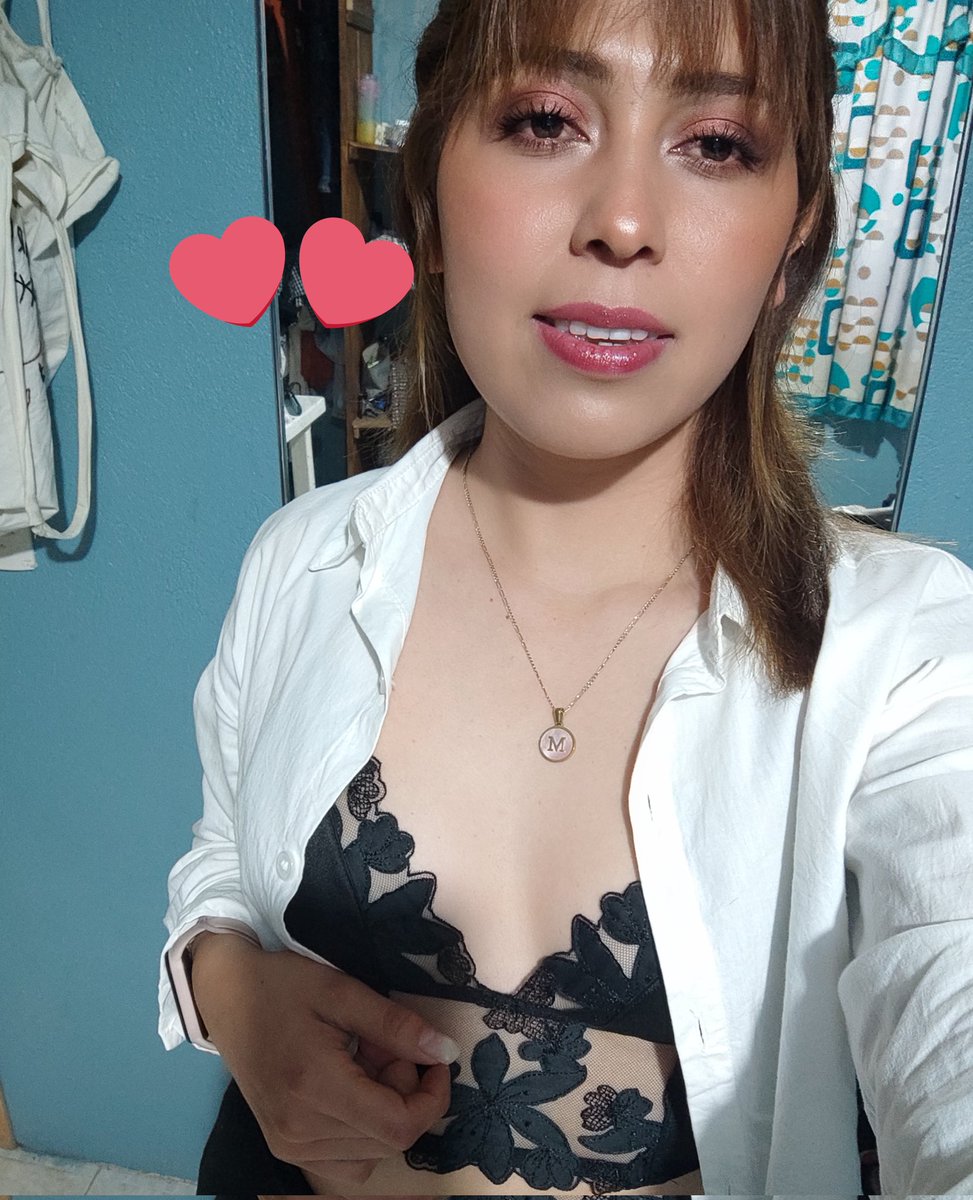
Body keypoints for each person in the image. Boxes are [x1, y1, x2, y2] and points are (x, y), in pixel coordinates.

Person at [158, 0, 973, 1196]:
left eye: (717, 144)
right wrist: (225, 984)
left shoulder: (905, 658)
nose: (623, 222)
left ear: (795, 235)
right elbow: (224, 849)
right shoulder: (302, 559)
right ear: (429, 199)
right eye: (544, 121)